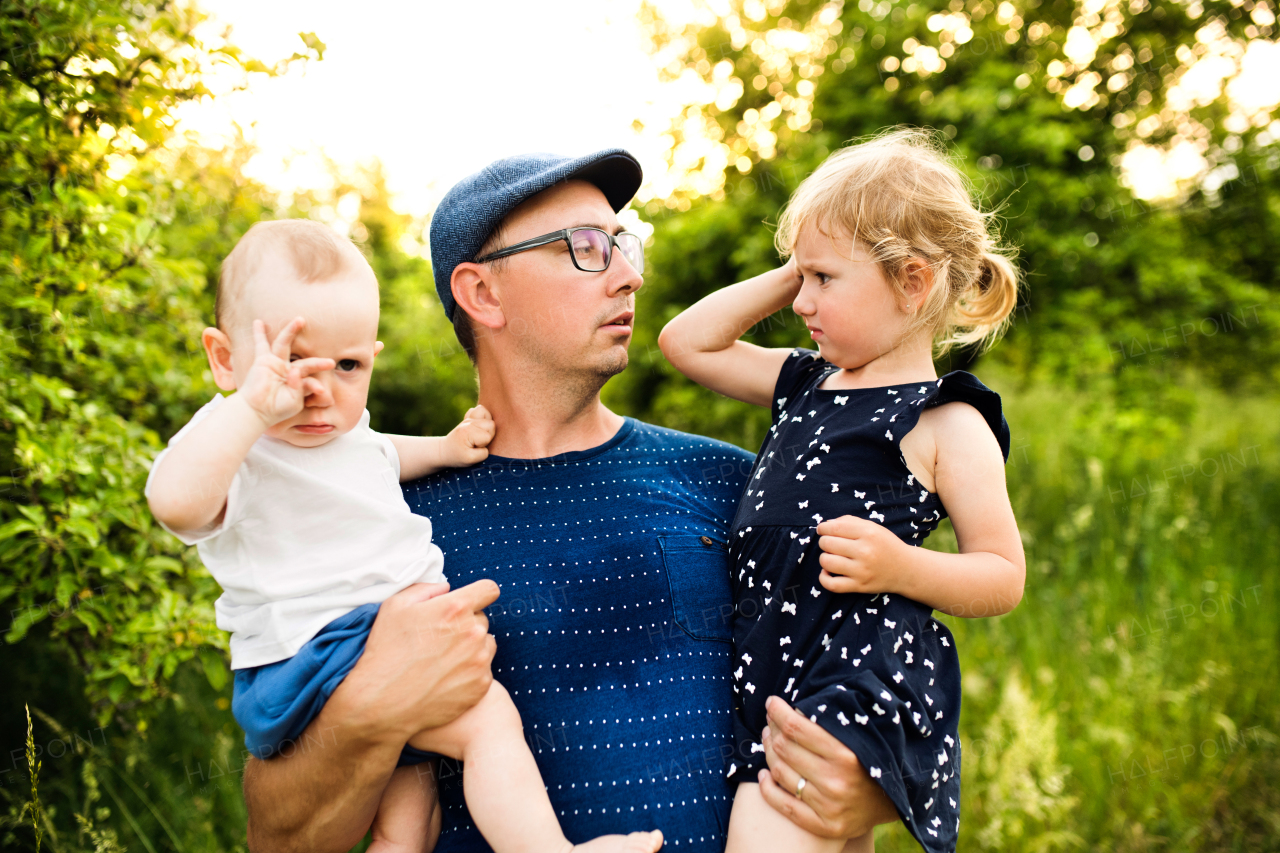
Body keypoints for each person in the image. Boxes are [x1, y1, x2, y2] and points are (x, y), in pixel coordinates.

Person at [240, 149, 903, 853]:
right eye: (587, 247)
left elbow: (872, 700)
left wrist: (869, 785)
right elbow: (277, 834)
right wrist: (370, 704)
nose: (629, 274)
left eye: (623, 242)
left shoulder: (734, 486)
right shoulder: (381, 525)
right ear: (482, 294)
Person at [147, 219, 663, 853]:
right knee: (488, 720)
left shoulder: (343, 431)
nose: (316, 391)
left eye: (347, 365)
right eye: (288, 363)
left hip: (364, 641)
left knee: (412, 816)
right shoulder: (241, 442)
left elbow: (377, 453)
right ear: (226, 360)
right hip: (320, 651)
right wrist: (252, 408)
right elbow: (175, 504)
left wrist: (445, 448)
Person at [658, 129, 1028, 853]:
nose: (801, 301)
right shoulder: (804, 382)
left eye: (824, 280)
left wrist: (902, 567)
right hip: (771, 665)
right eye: (801, 278)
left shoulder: (945, 420)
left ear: (913, 282)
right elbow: (686, 342)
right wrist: (799, 264)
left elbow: (1003, 574)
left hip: (855, 675)